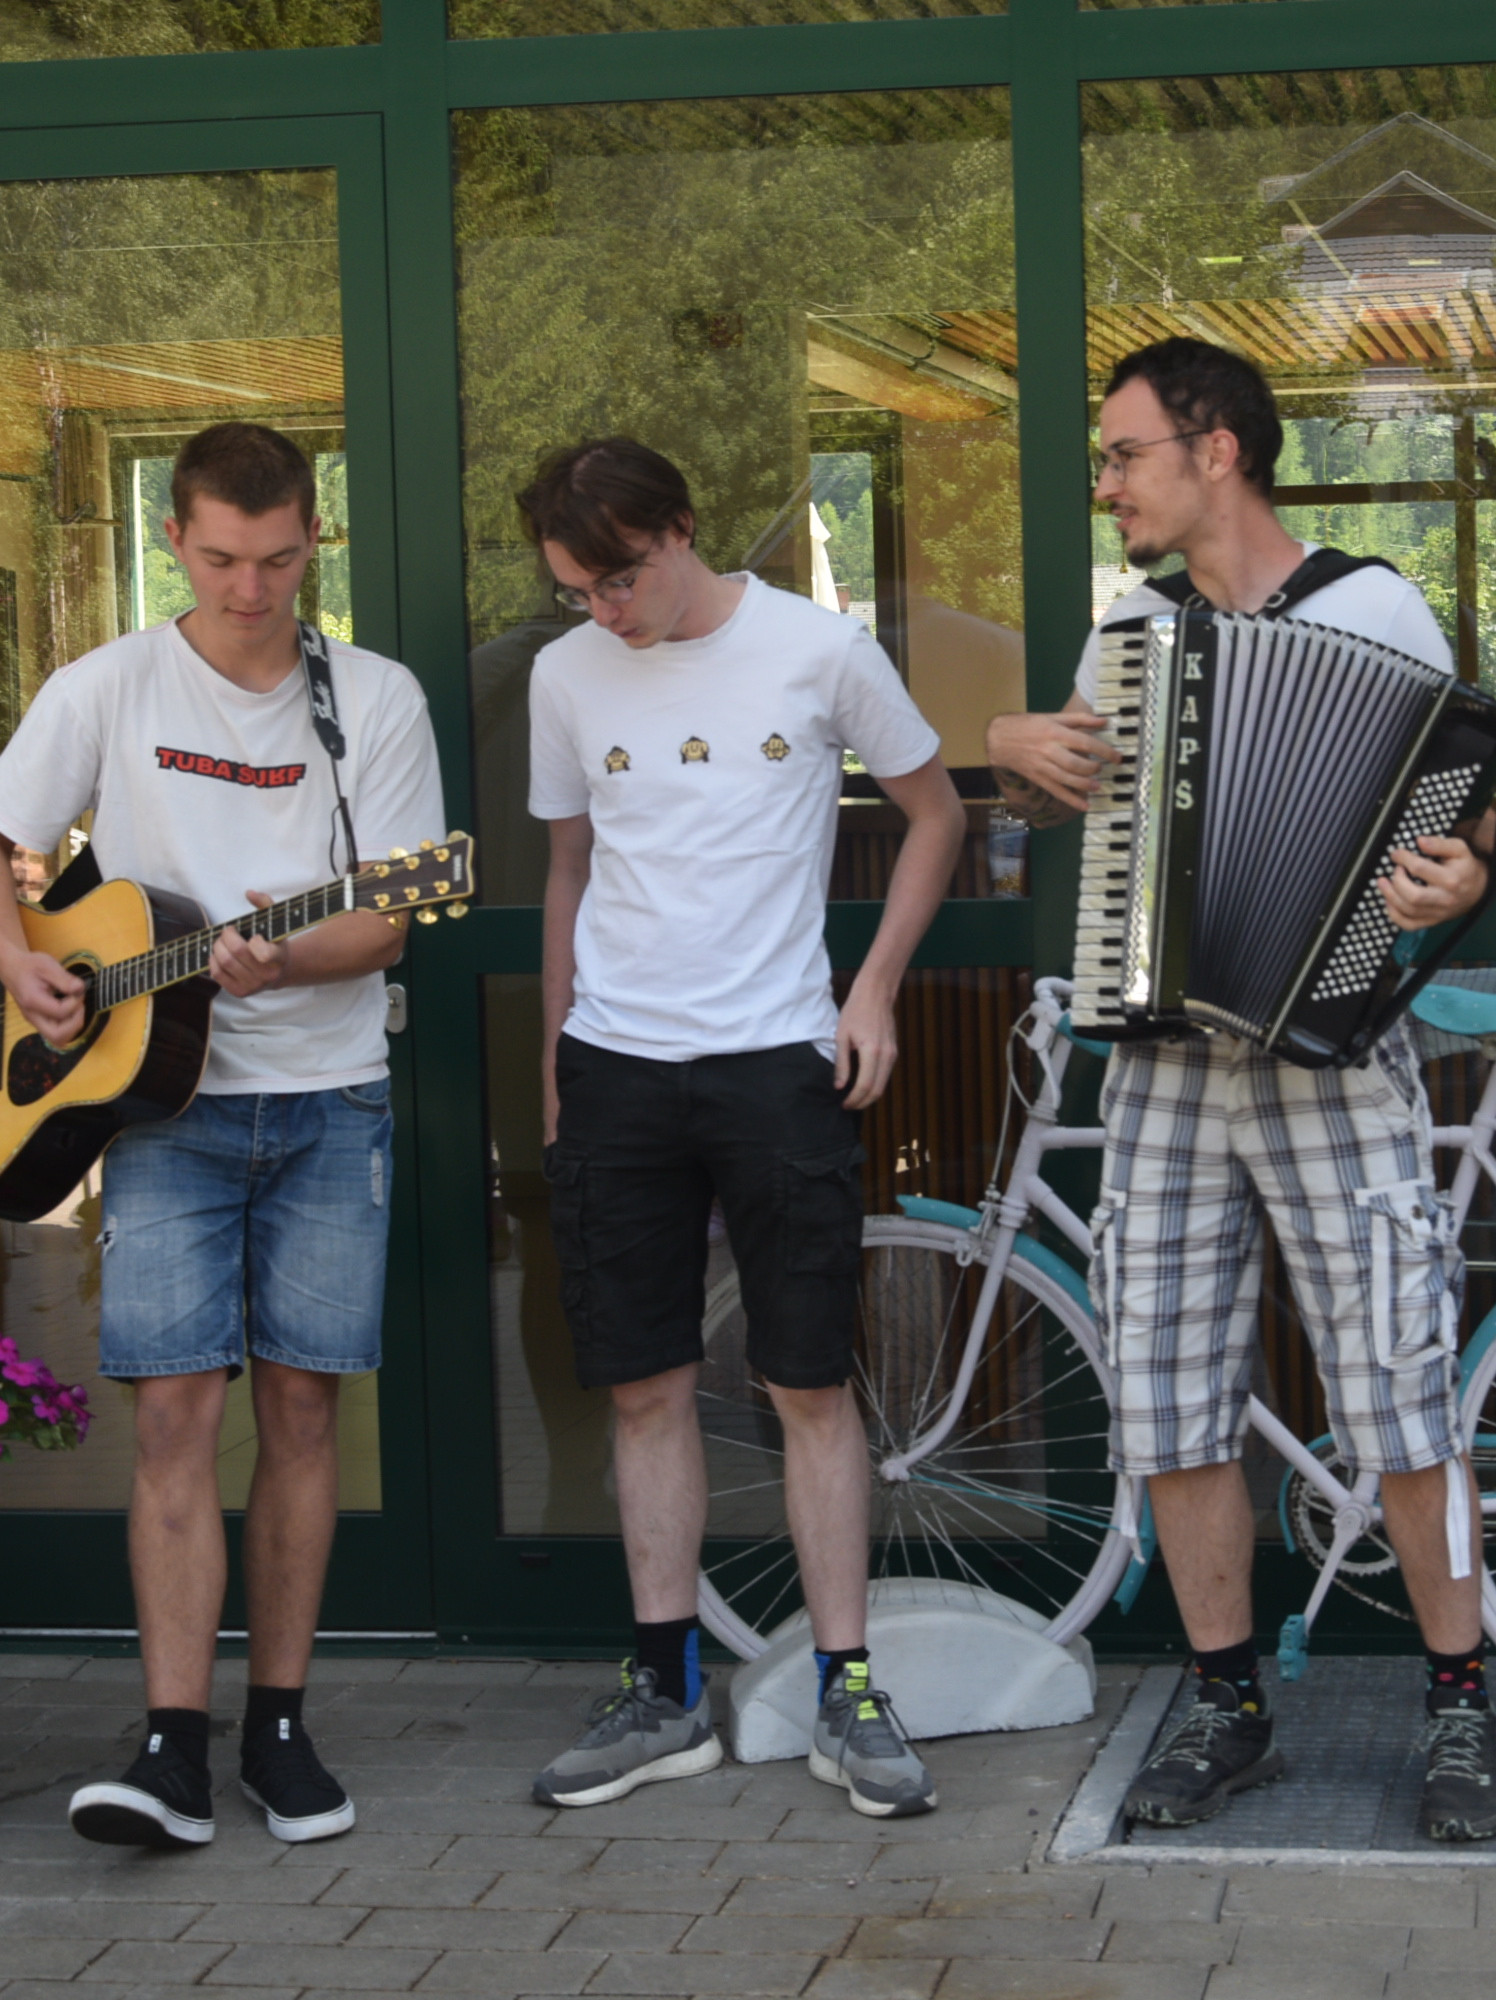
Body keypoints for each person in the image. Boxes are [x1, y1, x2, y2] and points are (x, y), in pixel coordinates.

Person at [984, 337, 1496, 1843]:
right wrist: (1008, 751)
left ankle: (1461, 1707)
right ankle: (1225, 1703)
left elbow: (1457, 832)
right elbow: (1068, 817)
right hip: (1162, 1059)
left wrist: (1449, 883)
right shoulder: (1124, 636)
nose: (1108, 484)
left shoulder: (1374, 610)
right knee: (1166, 1393)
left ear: (1217, 451)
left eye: (1124, 454)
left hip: (1330, 1058)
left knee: (1401, 1396)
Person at [0, 420, 449, 1850]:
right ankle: (170, 1746)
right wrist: (12, 960)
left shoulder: (377, 699)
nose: (250, 589)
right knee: (175, 1414)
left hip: (329, 1098)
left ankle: (277, 1728)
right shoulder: (108, 685)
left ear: (313, 542)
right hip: (159, 1109)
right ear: (176, 540)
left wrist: (286, 961)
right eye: (222, 559)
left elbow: (396, 910)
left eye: (280, 559)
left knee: (301, 1416)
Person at [519, 437, 966, 1821]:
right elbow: (567, 869)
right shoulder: (564, 674)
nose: (604, 609)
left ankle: (848, 1690)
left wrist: (873, 987)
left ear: (682, 529)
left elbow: (936, 814)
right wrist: (556, 1061)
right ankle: (666, 1692)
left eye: (618, 576)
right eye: (575, 589)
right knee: (644, 1384)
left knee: (809, 1383)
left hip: (779, 1057)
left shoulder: (819, 651)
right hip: (618, 1065)